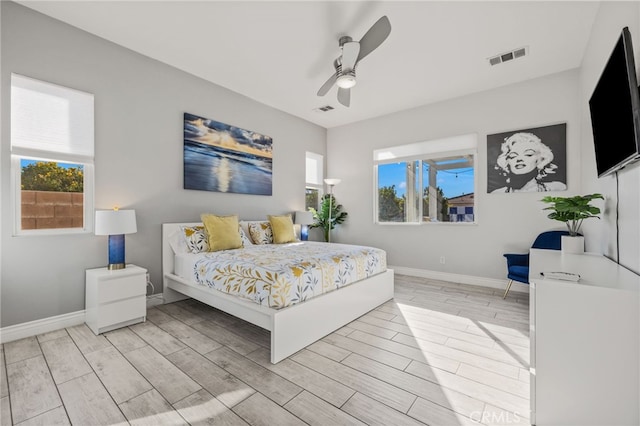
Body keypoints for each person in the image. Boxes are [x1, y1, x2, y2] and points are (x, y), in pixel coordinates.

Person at [492, 132, 567, 193]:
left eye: (528, 154)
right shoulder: (497, 193)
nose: (519, 159)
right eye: (513, 156)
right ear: (507, 162)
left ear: (541, 160)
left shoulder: (557, 188)